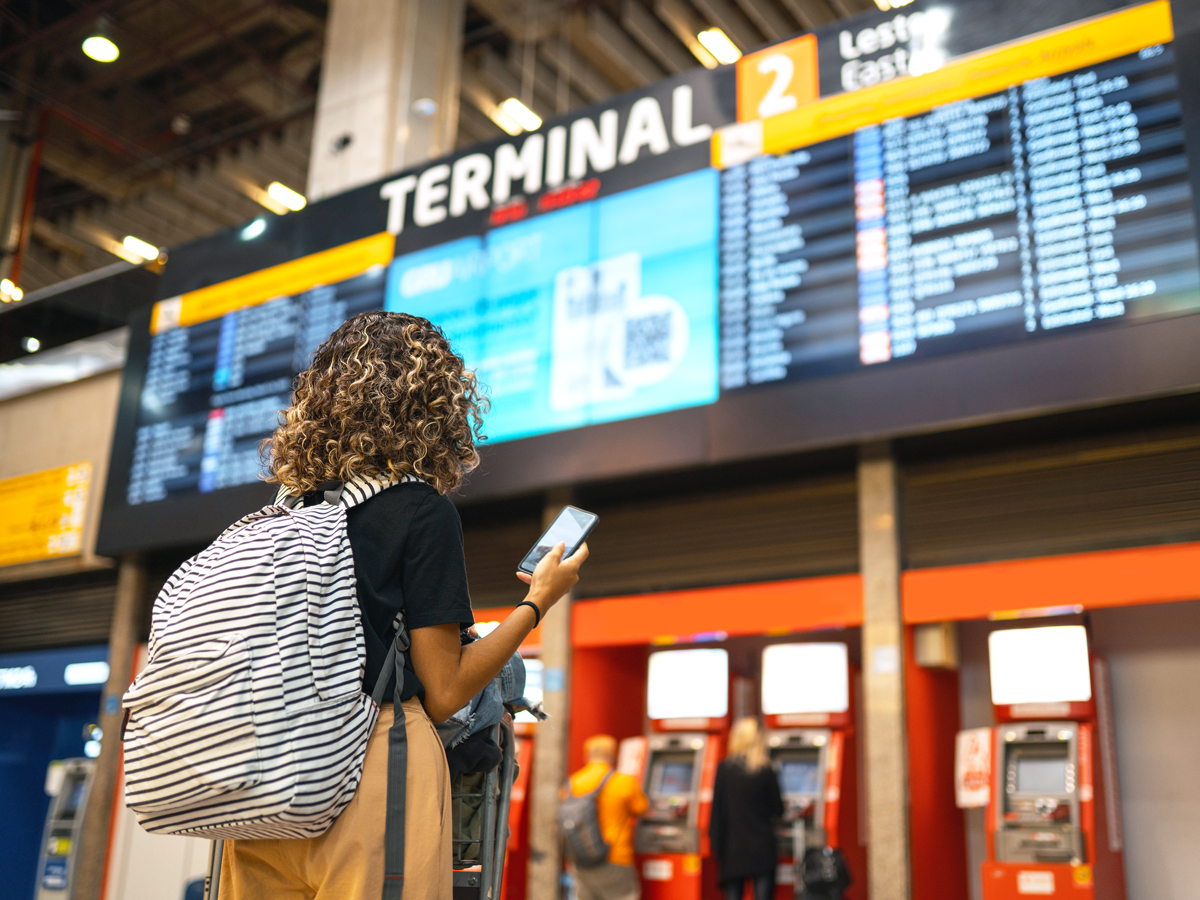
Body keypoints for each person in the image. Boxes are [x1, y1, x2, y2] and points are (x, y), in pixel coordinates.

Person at [218, 311, 589, 899]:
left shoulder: (293, 511)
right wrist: (537, 602)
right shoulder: (419, 510)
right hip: (368, 775)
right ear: (434, 403)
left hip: (264, 782)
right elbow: (445, 689)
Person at [566, 735, 650, 900]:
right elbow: (643, 809)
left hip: (582, 857)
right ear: (612, 755)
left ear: (587, 755)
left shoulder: (573, 783)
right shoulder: (623, 781)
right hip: (615, 856)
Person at [709, 718, 784, 900]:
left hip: (733, 849)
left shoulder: (725, 769)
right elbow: (778, 809)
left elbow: (717, 813)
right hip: (763, 848)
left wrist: (716, 848)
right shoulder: (765, 769)